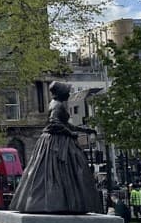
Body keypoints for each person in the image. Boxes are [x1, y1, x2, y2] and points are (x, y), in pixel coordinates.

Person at [9, 81, 103, 214]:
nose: (69, 94)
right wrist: (71, 133)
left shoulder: (55, 104)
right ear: (61, 93)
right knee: (58, 172)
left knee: (49, 173)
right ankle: (63, 202)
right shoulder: (57, 105)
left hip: (55, 140)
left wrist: (83, 129)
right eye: (67, 92)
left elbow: (64, 123)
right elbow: (54, 123)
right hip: (55, 142)